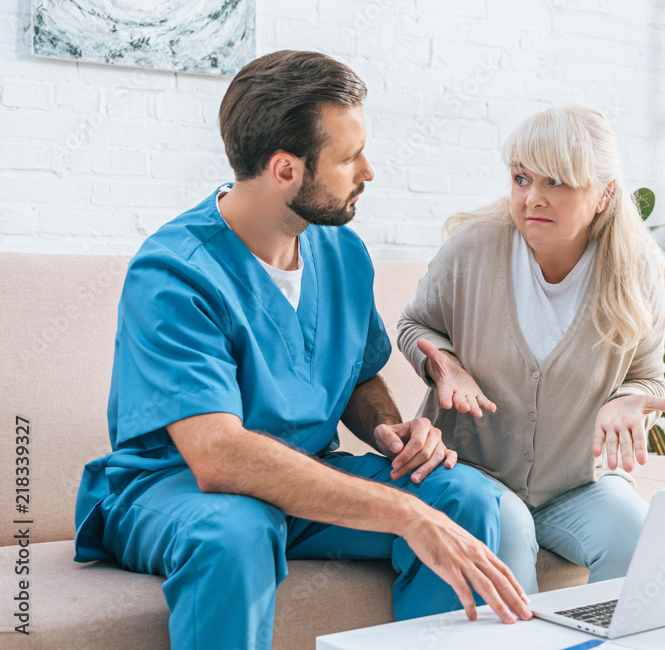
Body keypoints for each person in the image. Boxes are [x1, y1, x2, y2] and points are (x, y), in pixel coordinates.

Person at [72, 50, 530, 649]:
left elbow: (357, 375)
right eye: (348, 158)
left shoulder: (343, 253)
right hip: (176, 489)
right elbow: (217, 458)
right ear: (285, 169)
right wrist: (402, 513)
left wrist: (392, 432)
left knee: (460, 496)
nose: (368, 171)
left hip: (309, 477)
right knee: (236, 529)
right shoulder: (173, 274)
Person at [397, 104, 665, 594]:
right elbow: (415, 324)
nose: (532, 198)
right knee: (507, 535)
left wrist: (627, 402)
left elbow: (646, 377)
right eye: (521, 178)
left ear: (604, 194)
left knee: (643, 539)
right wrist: (445, 367)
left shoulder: (636, 270)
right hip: (476, 477)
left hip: (577, 484)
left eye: (556, 182)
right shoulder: (474, 248)